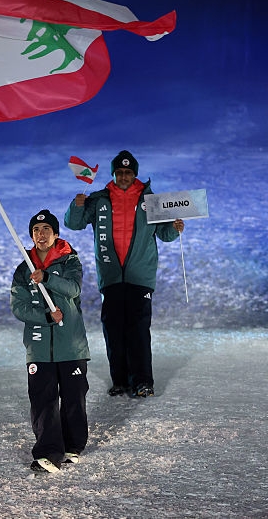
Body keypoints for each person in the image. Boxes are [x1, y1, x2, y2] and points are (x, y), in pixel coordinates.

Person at [64, 150, 184, 399]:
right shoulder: (99, 200)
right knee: (114, 330)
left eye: (128, 172)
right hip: (110, 276)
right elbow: (73, 224)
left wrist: (175, 228)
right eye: (119, 172)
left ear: (135, 174)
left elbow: (164, 234)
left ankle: (142, 381)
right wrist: (76, 207)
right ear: (114, 174)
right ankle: (120, 380)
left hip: (140, 277)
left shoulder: (151, 201)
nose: (124, 176)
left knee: (139, 330)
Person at [10, 209, 90, 474]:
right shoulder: (24, 268)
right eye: (36, 230)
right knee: (43, 400)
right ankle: (47, 452)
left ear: (56, 234)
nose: (40, 235)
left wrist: (47, 277)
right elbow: (18, 306)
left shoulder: (70, 261)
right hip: (39, 347)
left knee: (73, 398)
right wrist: (45, 316)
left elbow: (74, 289)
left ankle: (73, 446)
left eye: (46, 230)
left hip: (71, 345)